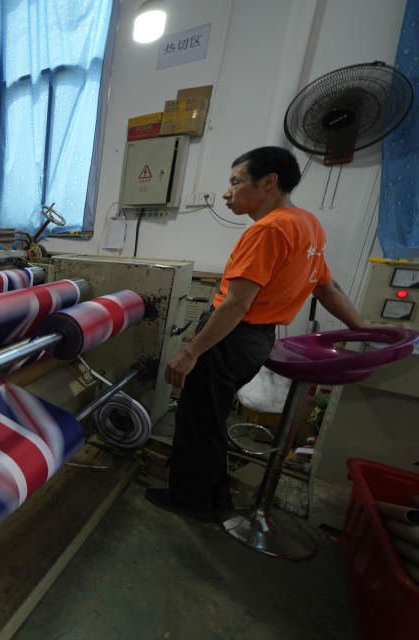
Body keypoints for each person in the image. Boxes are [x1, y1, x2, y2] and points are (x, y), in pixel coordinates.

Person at [145, 146, 364, 522]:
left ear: (269, 182)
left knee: (198, 423)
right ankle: (216, 499)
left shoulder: (268, 230)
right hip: (257, 341)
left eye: (235, 181)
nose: (227, 192)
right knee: (211, 420)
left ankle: (192, 501)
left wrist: (190, 353)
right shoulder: (307, 224)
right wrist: (365, 330)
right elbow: (327, 288)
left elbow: (235, 305)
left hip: (229, 337)